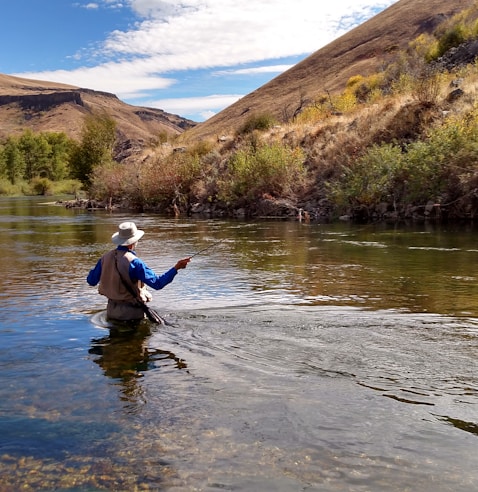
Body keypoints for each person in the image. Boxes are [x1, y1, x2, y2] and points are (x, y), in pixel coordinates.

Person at [87, 221, 190, 322]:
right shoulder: (135, 262)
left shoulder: (104, 259)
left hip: (111, 312)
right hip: (132, 314)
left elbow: (91, 281)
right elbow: (158, 283)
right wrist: (176, 268)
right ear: (133, 242)